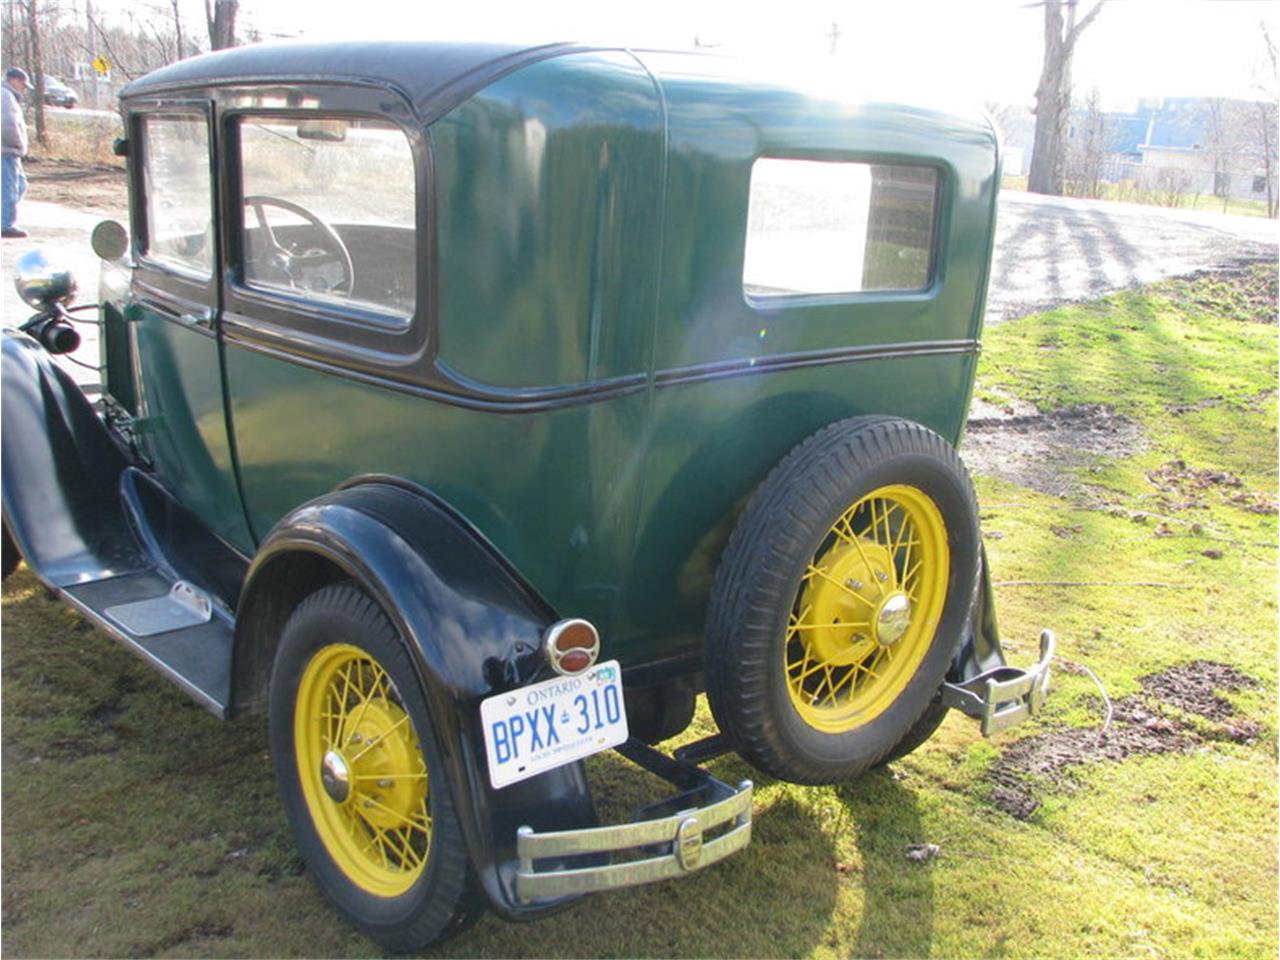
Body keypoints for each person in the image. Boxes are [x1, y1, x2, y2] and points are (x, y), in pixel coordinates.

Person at [2, 66, 30, 239]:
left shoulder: (8, 95)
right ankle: (6, 224)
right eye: (23, 83)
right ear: (14, 80)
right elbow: (7, 124)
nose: (24, 88)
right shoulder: (5, 96)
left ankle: (4, 220)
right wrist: (17, 144)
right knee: (9, 187)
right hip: (7, 150)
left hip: (9, 150)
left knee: (20, 184)